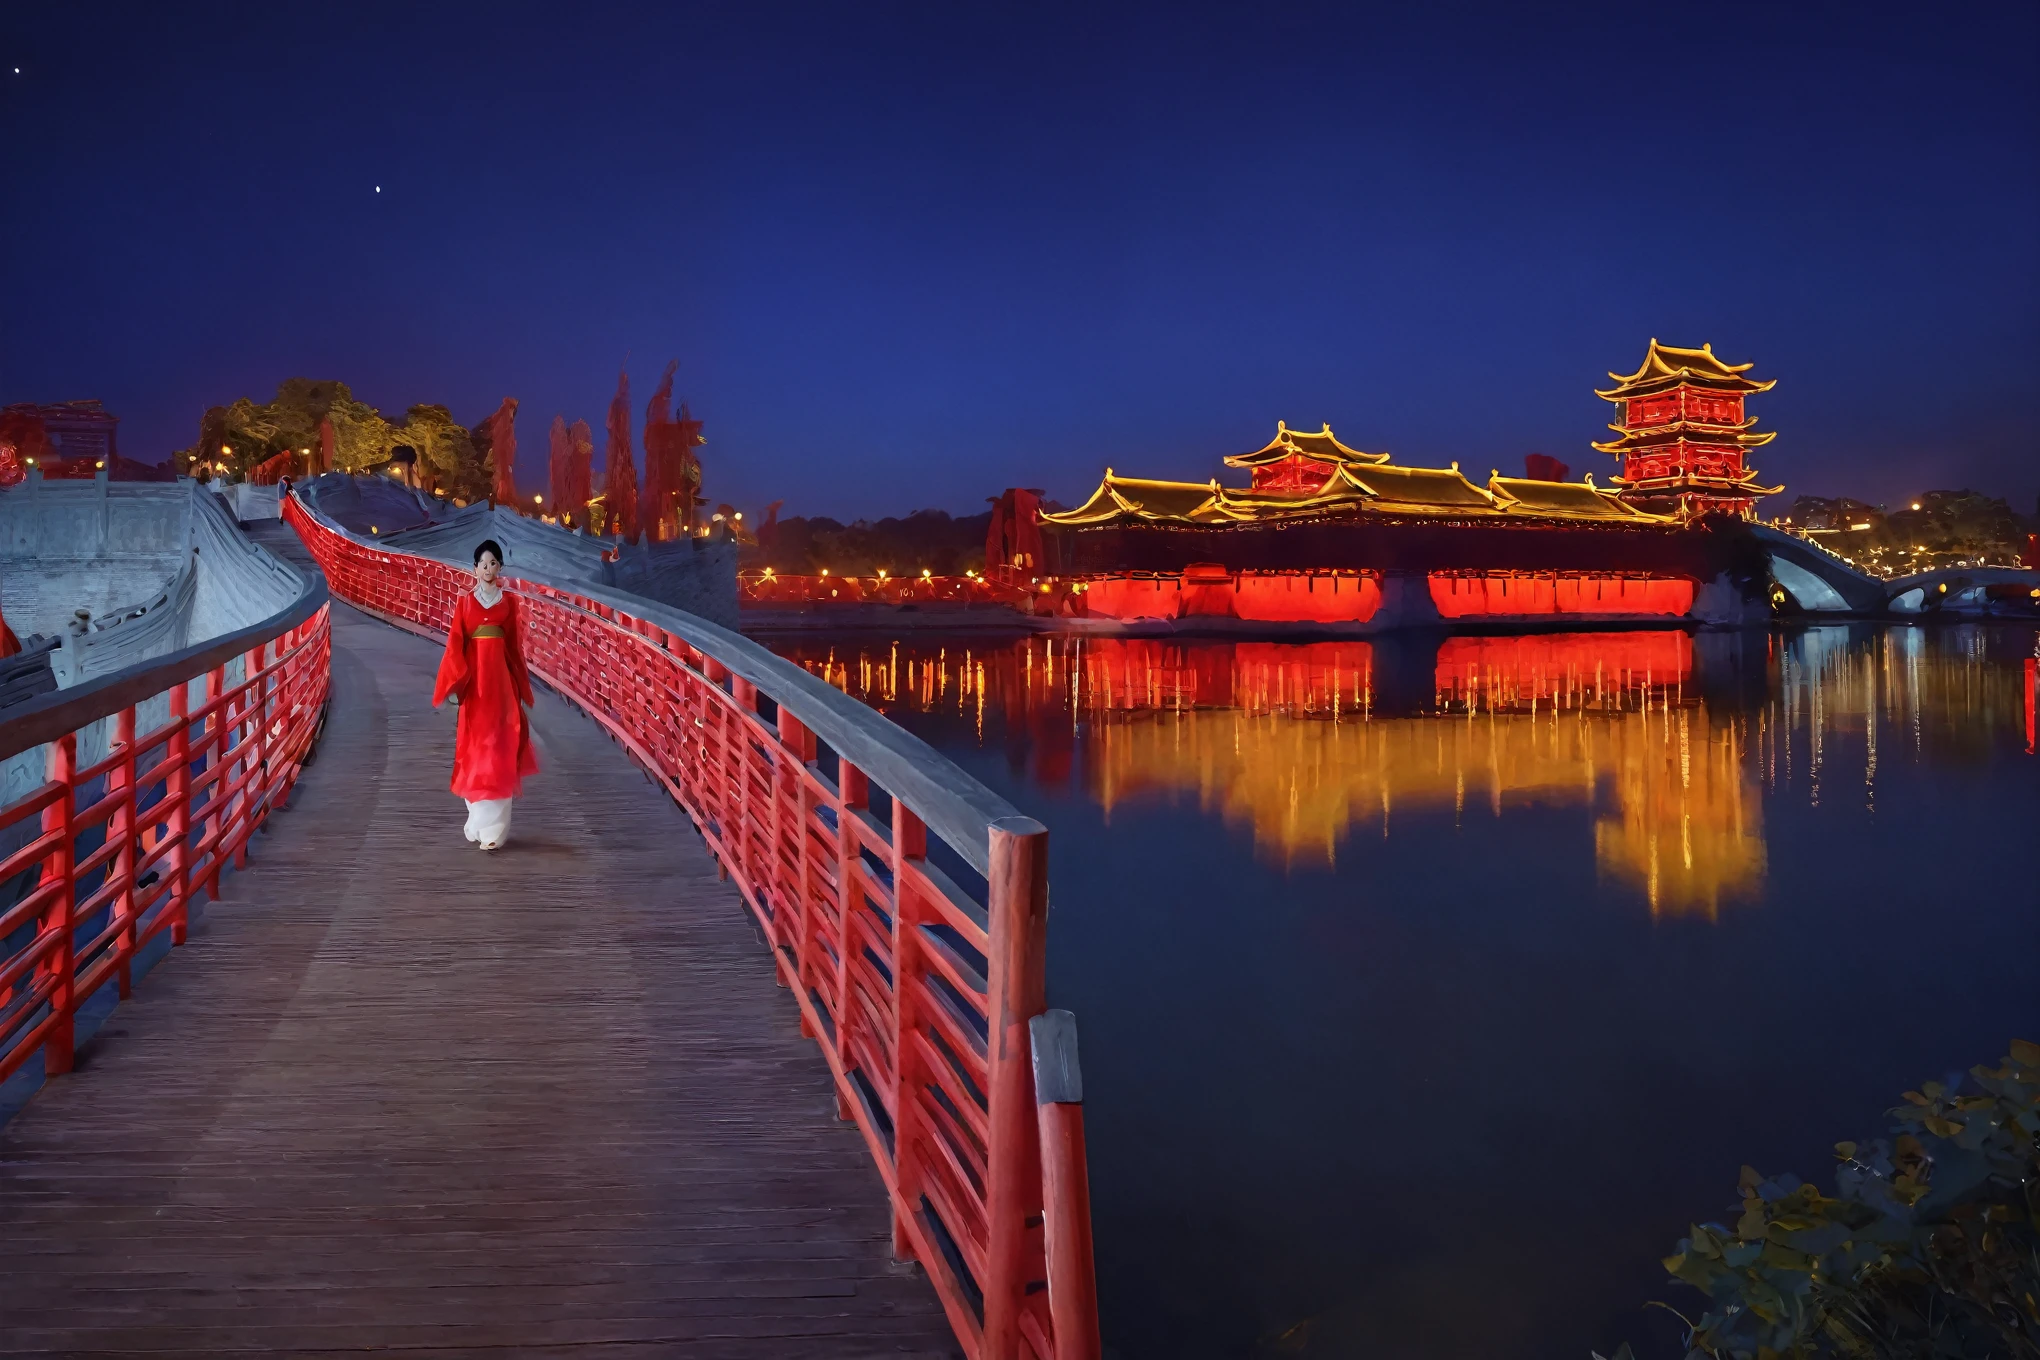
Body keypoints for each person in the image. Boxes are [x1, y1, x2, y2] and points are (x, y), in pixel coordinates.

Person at [430, 539, 538, 849]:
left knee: (501, 747)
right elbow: (454, 645)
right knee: (477, 748)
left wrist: (522, 686)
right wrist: (451, 685)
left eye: (494, 563)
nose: (488, 569)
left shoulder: (509, 603)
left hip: (501, 683)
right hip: (475, 683)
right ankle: (479, 818)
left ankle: (495, 832)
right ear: (474, 568)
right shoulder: (464, 603)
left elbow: (514, 648)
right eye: (483, 563)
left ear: (500, 567)